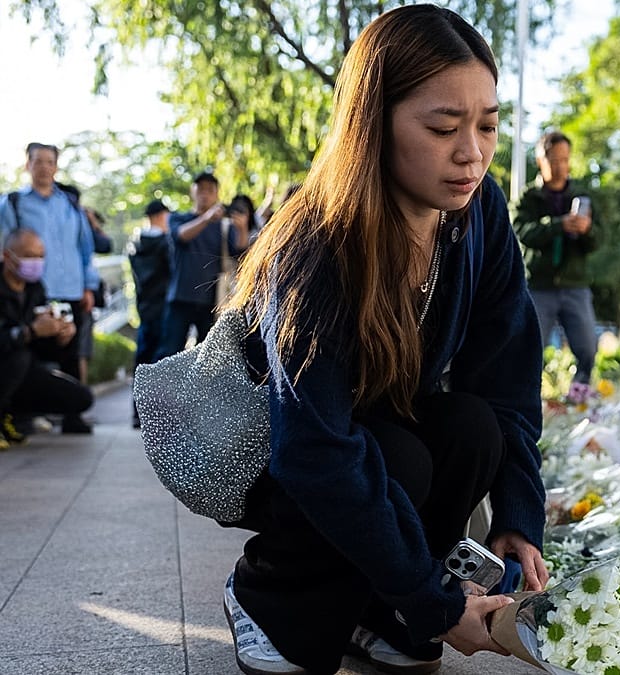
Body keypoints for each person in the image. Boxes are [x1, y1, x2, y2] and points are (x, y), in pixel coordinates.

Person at [220, 6, 547, 674]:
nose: (472, 152)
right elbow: (314, 449)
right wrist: (438, 605)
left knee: (472, 428)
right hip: (286, 453)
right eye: (443, 128)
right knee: (396, 459)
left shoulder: (480, 211)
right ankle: (264, 593)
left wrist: (518, 515)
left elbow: (506, 377)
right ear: (372, 123)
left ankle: (380, 610)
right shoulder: (318, 242)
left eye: (487, 125)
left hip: (379, 436)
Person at [0, 142, 98, 434]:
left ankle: (71, 416)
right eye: (38, 161)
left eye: (49, 161)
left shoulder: (70, 205)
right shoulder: (13, 203)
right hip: (27, 289)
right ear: (27, 164)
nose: (44, 167)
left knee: (69, 345)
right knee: (22, 349)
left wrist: (88, 286)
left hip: (70, 287)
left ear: (56, 166)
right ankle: (17, 415)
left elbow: (85, 248)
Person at [511, 130, 598, 393]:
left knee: (587, 348)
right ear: (541, 160)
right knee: (528, 350)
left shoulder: (582, 195)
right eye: (554, 160)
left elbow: (597, 241)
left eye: (565, 159)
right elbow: (521, 232)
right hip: (539, 286)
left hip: (575, 284)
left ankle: (579, 397)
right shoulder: (528, 197)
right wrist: (559, 225)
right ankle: (529, 400)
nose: (561, 166)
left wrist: (586, 230)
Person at [0, 229, 94, 448]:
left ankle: (13, 417)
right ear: (7, 256)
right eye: (29, 255)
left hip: (21, 372)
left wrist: (60, 337)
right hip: (7, 364)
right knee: (20, 357)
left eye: (40, 256)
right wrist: (30, 331)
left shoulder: (36, 289)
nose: (35, 262)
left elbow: (43, 351)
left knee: (80, 397)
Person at [155, 172, 250, 359]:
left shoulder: (224, 226)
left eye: (210, 190)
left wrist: (242, 228)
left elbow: (239, 253)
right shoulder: (178, 218)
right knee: (169, 352)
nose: (204, 194)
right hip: (180, 298)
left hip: (211, 301)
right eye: (201, 189)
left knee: (207, 357)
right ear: (193, 191)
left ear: (217, 194)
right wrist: (207, 217)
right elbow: (181, 235)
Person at [128, 199, 173, 428]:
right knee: (161, 362)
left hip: (144, 307)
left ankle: (138, 413)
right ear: (161, 215)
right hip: (163, 309)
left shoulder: (135, 243)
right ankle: (156, 416)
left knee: (142, 361)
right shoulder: (165, 243)